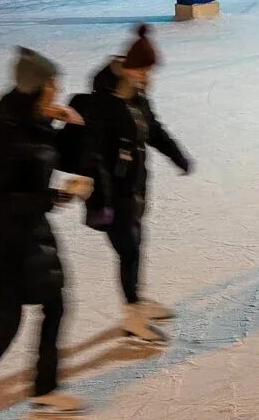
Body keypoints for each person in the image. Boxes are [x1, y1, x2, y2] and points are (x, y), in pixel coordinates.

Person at [0, 49, 90, 417]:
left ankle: (45, 388)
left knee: (55, 305)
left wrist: (67, 123)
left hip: (31, 239)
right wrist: (57, 195)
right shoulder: (4, 138)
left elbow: (62, 158)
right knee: (4, 324)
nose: (58, 89)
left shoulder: (32, 123)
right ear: (38, 87)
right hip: (1, 246)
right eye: (53, 84)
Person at [71, 27, 191, 347]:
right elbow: (91, 156)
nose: (149, 78)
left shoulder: (135, 95)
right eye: (146, 71)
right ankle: (132, 317)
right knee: (129, 251)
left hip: (134, 188)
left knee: (134, 249)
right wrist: (102, 201)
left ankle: (136, 300)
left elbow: (152, 130)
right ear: (131, 68)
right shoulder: (102, 103)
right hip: (112, 194)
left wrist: (177, 155)